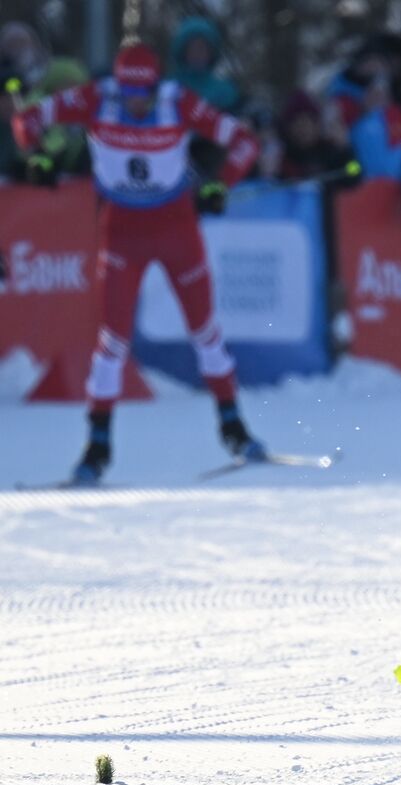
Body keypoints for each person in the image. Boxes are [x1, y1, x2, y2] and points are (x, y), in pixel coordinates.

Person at [10, 42, 263, 484]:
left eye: (142, 92)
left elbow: (244, 141)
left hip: (176, 229)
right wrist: (39, 157)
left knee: (204, 332)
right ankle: (96, 449)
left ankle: (235, 429)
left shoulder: (177, 101)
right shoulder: (95, 98)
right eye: (128, 92)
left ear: (155, 85)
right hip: (123, 231)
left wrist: (219, 184)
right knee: (111, 343)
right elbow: (25, 120)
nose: (135, 102)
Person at [327, 33, 401, 221]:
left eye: (380, 64)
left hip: (392, 206)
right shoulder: (340, 105)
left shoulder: (396, 114)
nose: (374, 68)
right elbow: (337, 153)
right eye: (368, 62)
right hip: (351, 202)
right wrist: (363, 114)